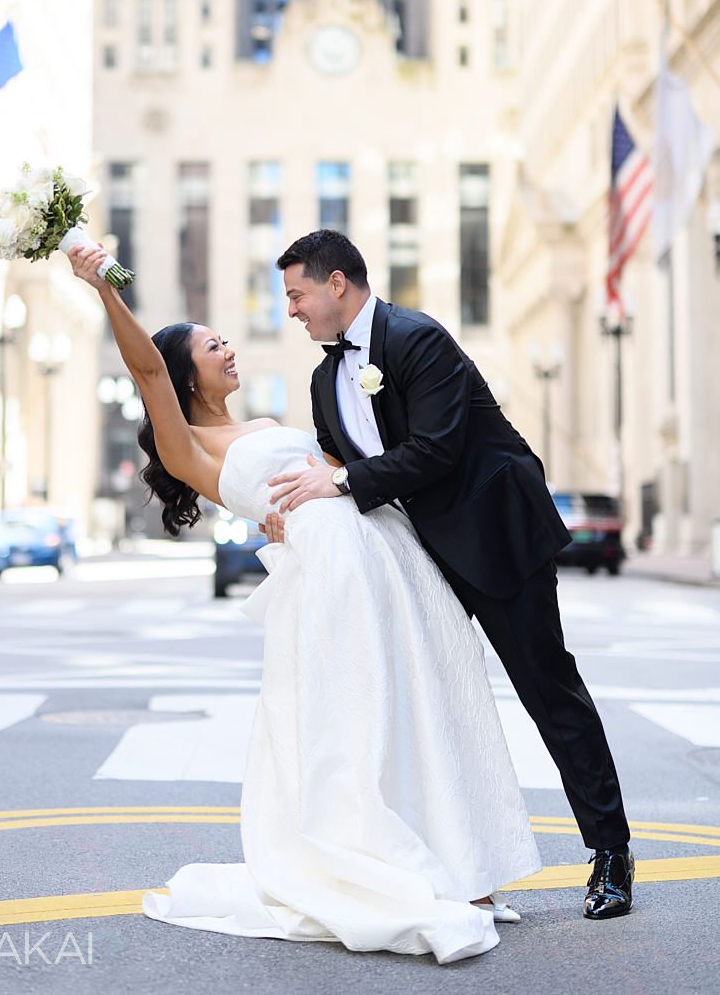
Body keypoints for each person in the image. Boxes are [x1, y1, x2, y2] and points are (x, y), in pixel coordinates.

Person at [68, 243, 542, 966]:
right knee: (361, 717)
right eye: (212, 346)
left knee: (426, 702)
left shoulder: (262, 425)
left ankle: (461, 868)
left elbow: (347, 470)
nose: (229, 349)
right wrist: (105, 287)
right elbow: (146, 370)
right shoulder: (188, 442)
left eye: (224, 340)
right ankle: (395, 866)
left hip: (386, 554)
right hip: (332, 576)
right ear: (184, 374)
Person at [261, 230, 634, 921]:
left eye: (296, 294)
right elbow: (329, 468)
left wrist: (338, 482)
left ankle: (611, 851)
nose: (291, 310)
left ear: (337, 283)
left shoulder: (417, 339)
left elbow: (434, 449)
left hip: (495, 536)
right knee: (416, 704)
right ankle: (445, 861)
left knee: (549, 691)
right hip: (417, 556)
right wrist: (291, 511)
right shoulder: (322, 380)